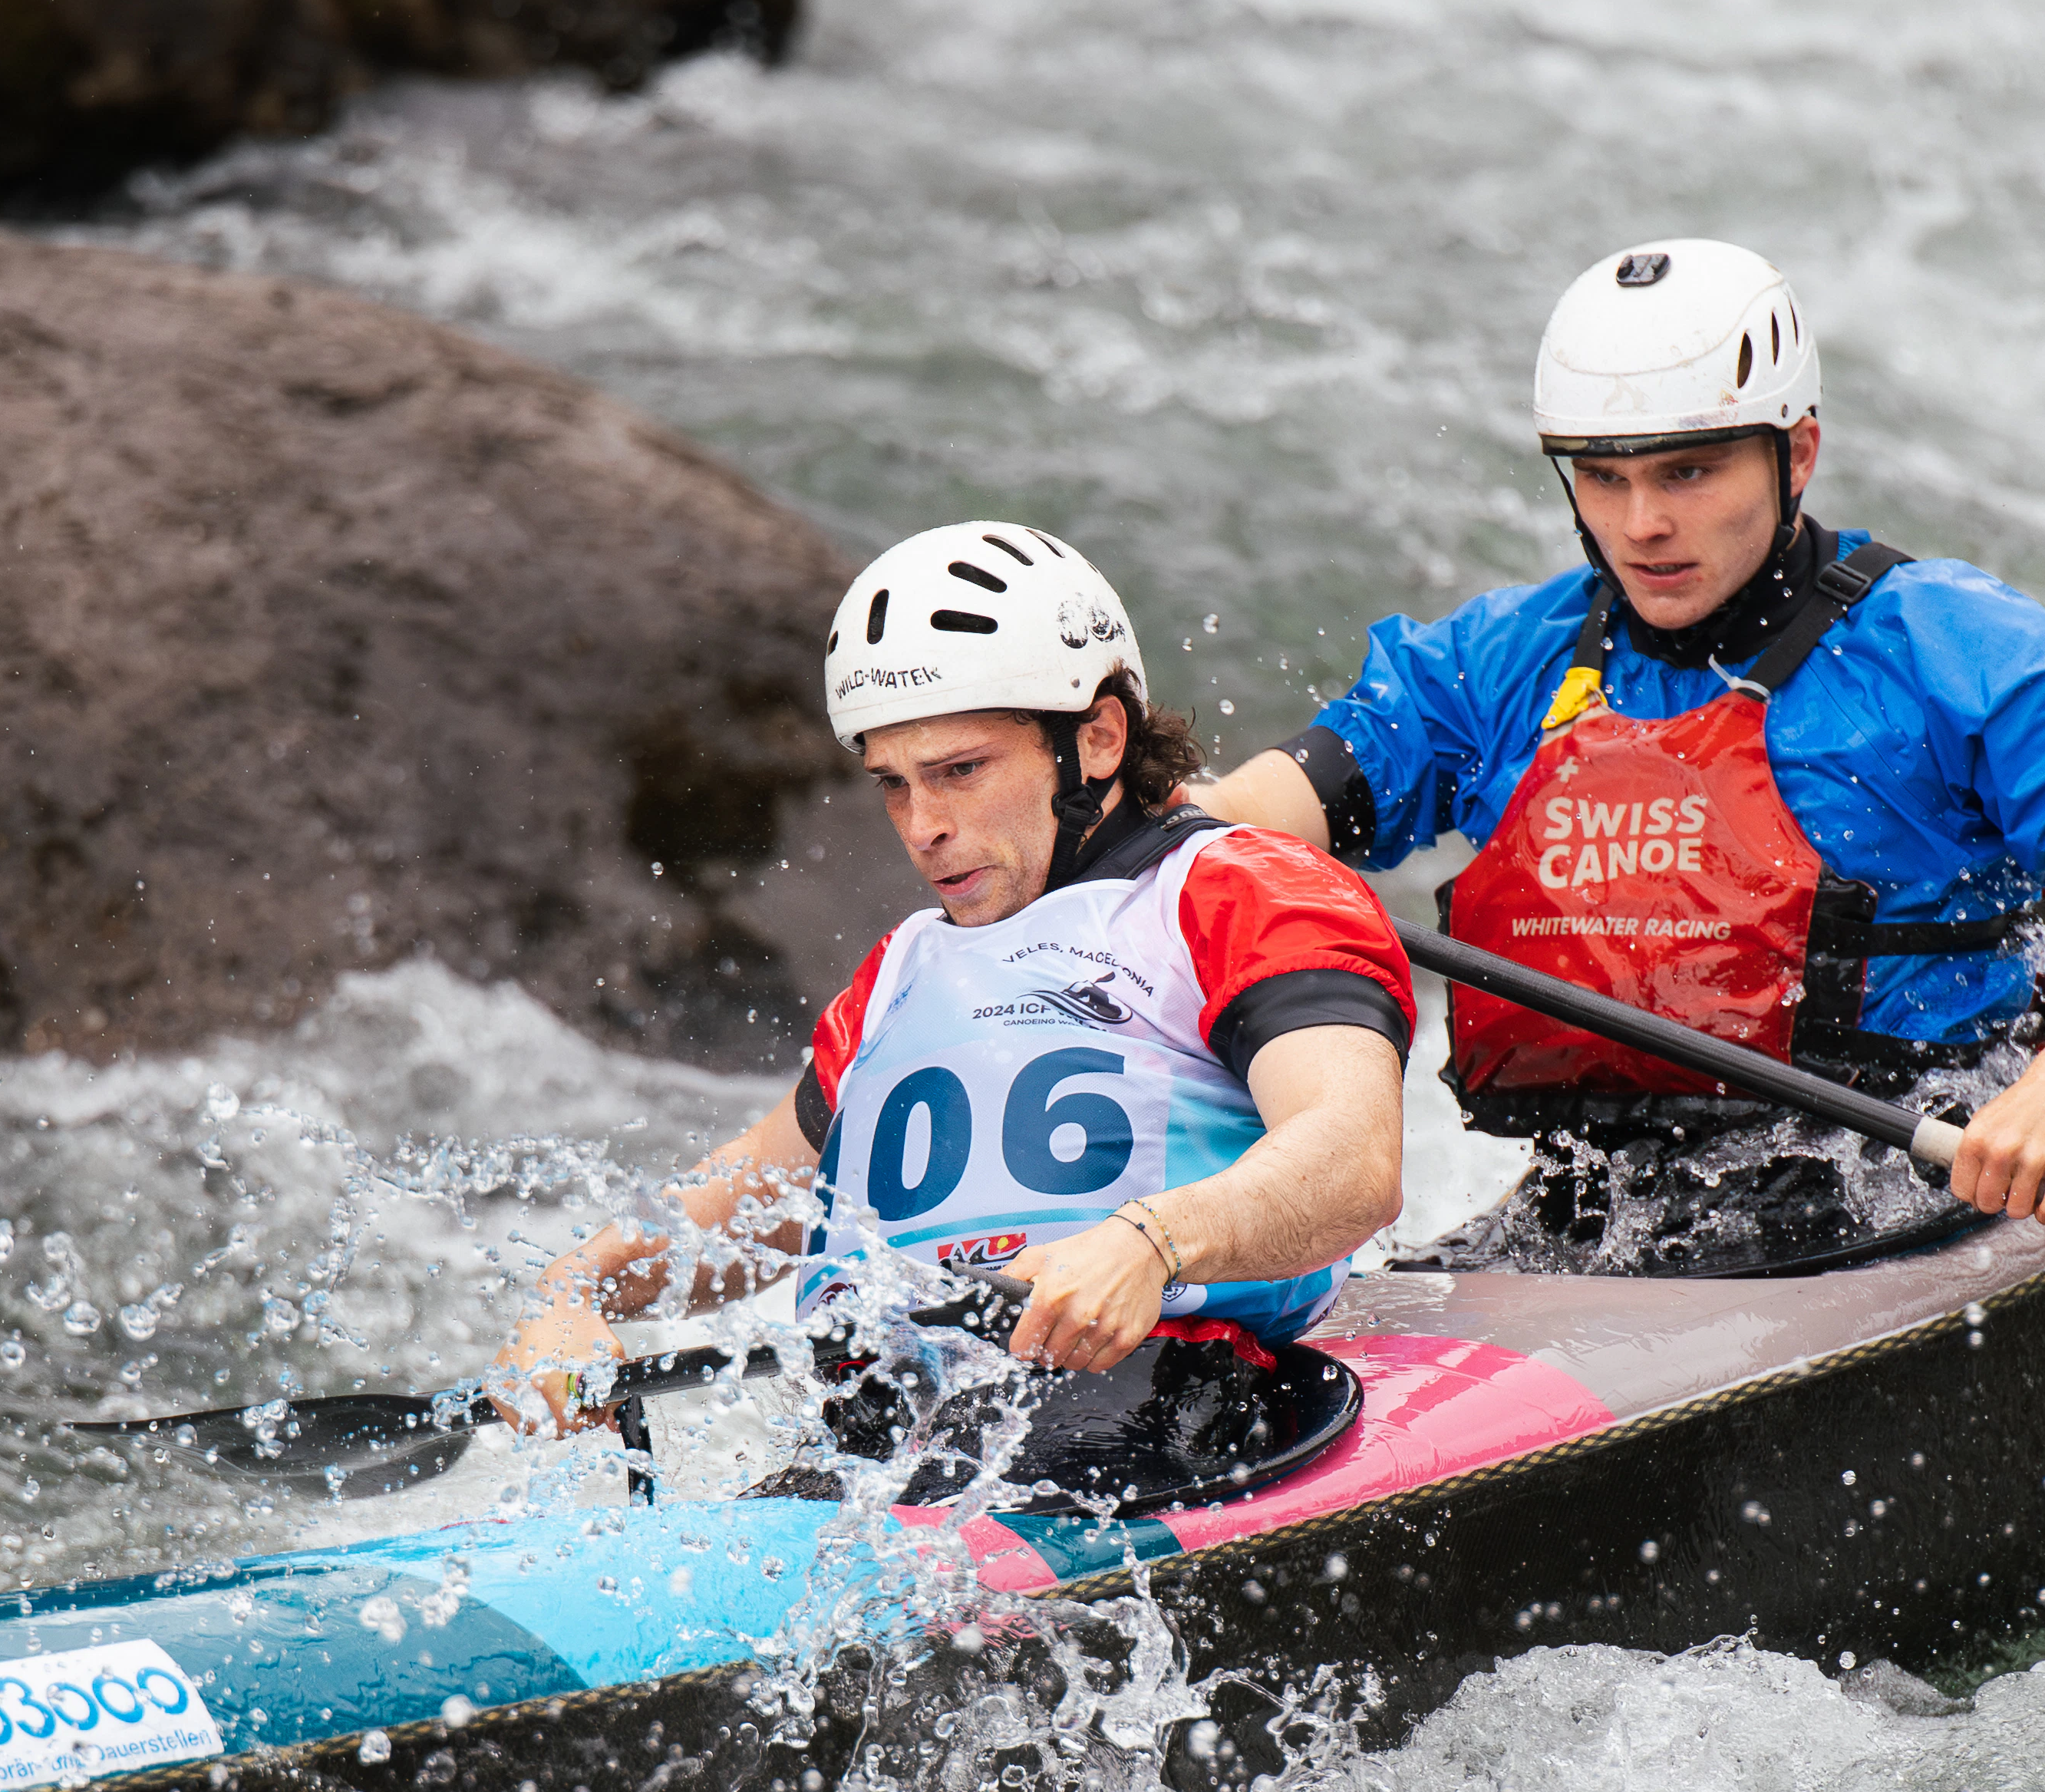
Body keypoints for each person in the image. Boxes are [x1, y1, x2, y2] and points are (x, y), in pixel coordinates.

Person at [1194, 237, 2045, 1274]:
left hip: (1907, 1190)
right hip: (1597, 1210)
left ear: (1796, 452)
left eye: (1689, 474)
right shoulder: (1498, 666)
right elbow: (1234, 829)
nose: (1641, 525)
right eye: (1604, 480)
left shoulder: (1954, 653)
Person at [497, 521, 1413, 1448]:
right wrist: (573, 1290)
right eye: (892, 783)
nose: (921, 826)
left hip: (1165, 1413)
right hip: (882, 1449)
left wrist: (1152, 1241)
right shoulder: (900, 969)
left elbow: (1355, 1159)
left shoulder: (1239, 888)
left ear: (1095, 740)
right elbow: (750, 1205)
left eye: (959, 772)